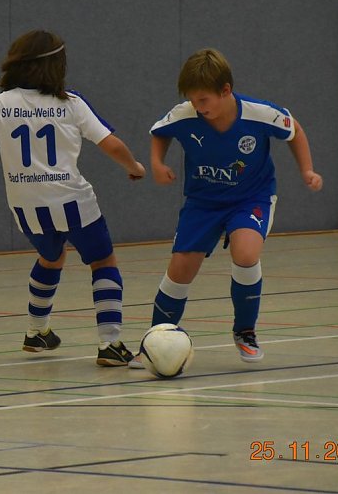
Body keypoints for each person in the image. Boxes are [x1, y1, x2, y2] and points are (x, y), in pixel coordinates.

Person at [0, 30, 147, 366]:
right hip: (73, 202)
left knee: (51, 258)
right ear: (57, 66)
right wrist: (134, 166)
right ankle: (110, 342)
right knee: (103, 262)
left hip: (27, 207)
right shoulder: (71, 103)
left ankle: (37, 332)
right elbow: (111, 144)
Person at [133, 48, 322, 367]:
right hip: (203, 202)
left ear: (225, 90)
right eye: (192, 100)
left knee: (246, 253)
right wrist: (156, 163)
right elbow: (159, 133)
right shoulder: (184, 115)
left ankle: (245, 331)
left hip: (251, 197)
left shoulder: (260, 114)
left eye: (203, 100)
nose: (197, 106)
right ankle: (154, 341)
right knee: (181, 268)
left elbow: (295, 131)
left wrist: (307, 170)